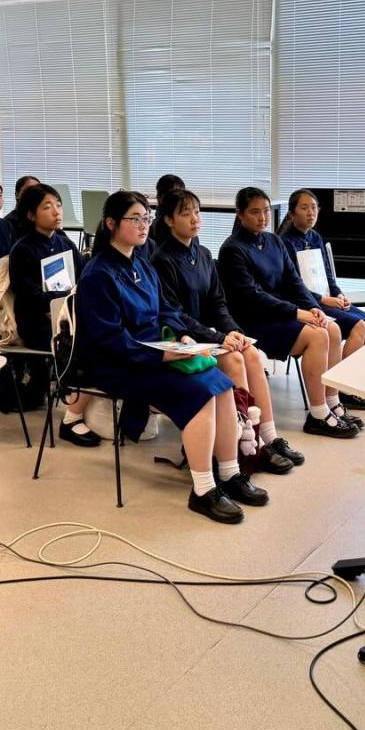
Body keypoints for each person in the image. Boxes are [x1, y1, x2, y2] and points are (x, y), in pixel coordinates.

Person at [76, 190, 263, 523]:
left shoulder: (142, 264)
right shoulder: (98, 274)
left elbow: (165, 310)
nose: (143, 225)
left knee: (221, 384)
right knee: (199, 392)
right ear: (111, 223)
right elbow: (108, 340)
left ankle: (230, 473)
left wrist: (183, 336)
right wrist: (162, 357)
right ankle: (203, 490)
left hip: (156, 351)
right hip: (120, 363)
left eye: (146, 218)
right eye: (135, 219)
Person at [152, 189, 302, 475]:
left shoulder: (203, 254)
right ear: (169, 220)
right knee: (234, 359)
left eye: (197, 212)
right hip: (184, 340)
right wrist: (220, 338)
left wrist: (233, 331)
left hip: (207, 336)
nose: (195, 219)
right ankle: (247, 446)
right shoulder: (162, 259)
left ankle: (267, 437)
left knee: (251, 353)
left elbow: (218, 303)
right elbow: (175, 315)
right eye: (186, 214)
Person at [218, 187, 357, 439]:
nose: (262, 218)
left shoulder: (273, 241)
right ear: (240, 214)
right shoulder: (232, 249)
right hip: (255, 319)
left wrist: (313, 307)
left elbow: (294, 281)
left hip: (281, 311)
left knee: (333, 328)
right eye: (255, 212)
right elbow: (253, 296)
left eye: (265, 211)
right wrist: (296, 313)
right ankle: (318, 415)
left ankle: (332, 402)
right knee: (318, 336)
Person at [8, 183, 92, 446]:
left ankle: (93, 406)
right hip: (37, 322)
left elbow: (83, 282)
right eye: (47, 207)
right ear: (31, 215)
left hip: (66, 318)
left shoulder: (65, 243)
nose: (56, 211)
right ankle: (73, 416)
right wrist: (55, 307)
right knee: (83, 345)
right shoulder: (23, 249)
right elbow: (27, 294)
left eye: (58, 205)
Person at [278, 188, 365, 409]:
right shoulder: (285, 242)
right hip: (307, 304)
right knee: (359, 326)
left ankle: (355, 383)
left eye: (314, 208)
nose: (310, 212)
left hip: (327, 299)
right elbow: (292, 285)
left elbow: (328, 276)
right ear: (292, 214)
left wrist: (339, 294)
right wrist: (323, 301)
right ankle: (343, 389)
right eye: (304, 208)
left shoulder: (316, 237)